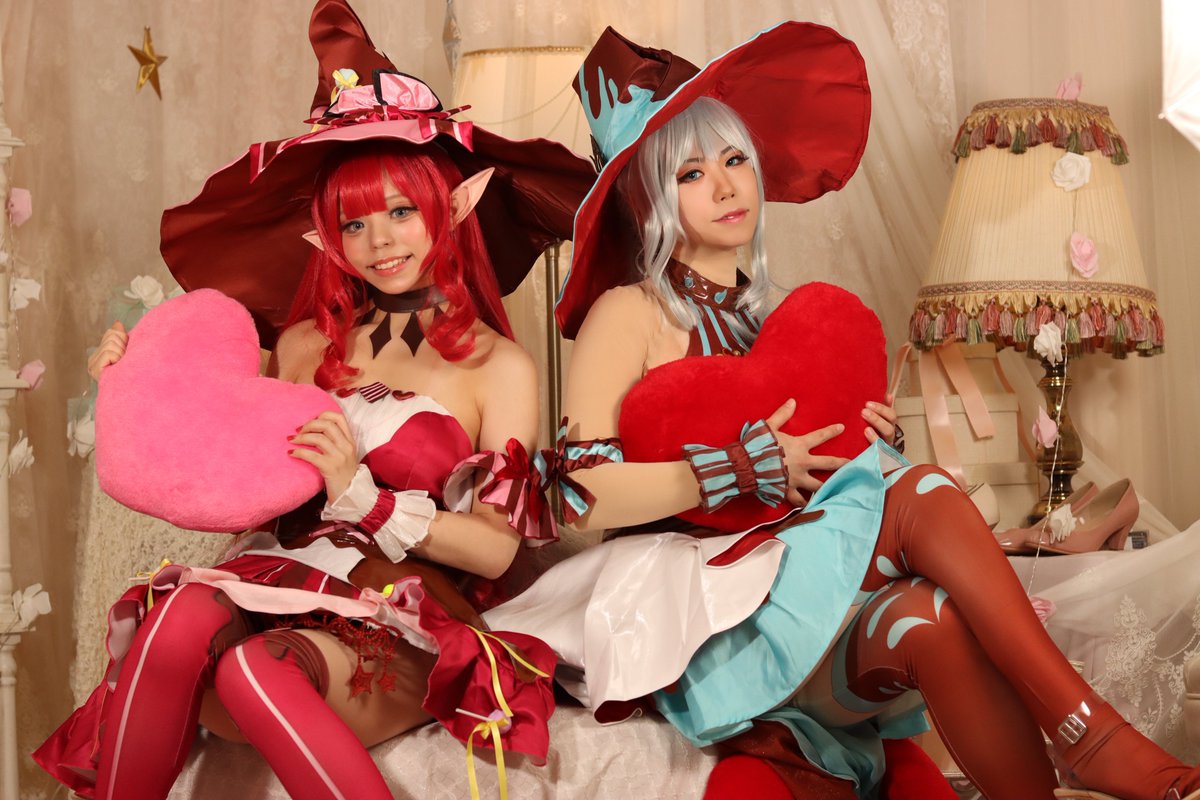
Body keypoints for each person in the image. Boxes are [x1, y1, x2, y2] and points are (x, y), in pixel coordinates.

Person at [483, 24, 1200, 800]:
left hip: (812, 595)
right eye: (691, 173)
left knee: (928, 617)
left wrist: (866, 454)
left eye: (734, 160)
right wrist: (739, 467)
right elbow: (580, 496)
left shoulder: (791, 315)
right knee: (922, 494)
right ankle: (1090, 737)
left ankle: (1055, 776)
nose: (725, 186)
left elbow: (820, 496)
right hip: (705, 622)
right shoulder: (628, 314)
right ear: (650, 197)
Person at [33, 3, 594, 799]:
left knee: (253, 670)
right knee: (175, 619)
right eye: (353, 222)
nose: (381, 241)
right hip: (270, 578)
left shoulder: (499, 366)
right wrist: (130, 377)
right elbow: (215, 466)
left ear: (454, 206)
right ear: (326, 237)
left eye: (401, 211)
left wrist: (366, 499)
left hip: (396, 607)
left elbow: (499, 553)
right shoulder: (301, 345)